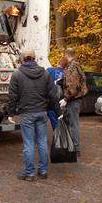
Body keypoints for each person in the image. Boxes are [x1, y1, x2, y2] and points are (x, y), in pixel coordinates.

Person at [8, 49, 59, 181]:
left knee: (29, 144)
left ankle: (29, 173)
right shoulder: (46, 74)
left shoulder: (17, 74)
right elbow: (53, 95)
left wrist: (11, 113)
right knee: (42, 142)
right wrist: (57, 111)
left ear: (22, 59)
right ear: (35, 58)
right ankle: (43, 171)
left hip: (26, 113)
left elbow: (13, 96)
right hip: (42, 112)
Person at [59, 48, 87, 156]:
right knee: (72, 123)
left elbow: (73, 86)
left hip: (73, 100)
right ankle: (73, 146)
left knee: (73, 124)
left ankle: (75, 148)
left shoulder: (72, 67)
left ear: (66, 55)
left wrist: (66, 99)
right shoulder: (76, 66)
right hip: (75, 99)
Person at [45, 57, 66, 130]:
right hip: (59, 102)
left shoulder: (49, 70)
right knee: (57, 124)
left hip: (47, 100)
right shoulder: (65, 74)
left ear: (58, 63)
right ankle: (58, 139)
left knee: (41, 123)